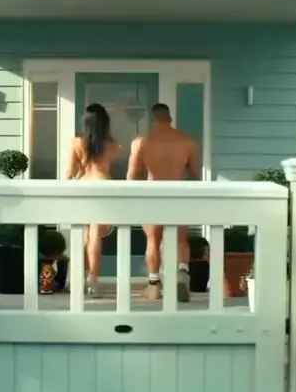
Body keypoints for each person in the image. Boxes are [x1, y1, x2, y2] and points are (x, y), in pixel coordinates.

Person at [126, 103, 199, 302]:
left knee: (153, 240)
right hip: (178, 194)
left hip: (153, 194)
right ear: (170, 119)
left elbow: (132, 176)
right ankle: (182, 275)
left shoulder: (142, 142)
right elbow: (194, 175)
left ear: (152, 120)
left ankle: (154, 285)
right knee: (181, 238)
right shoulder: (187, 142)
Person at [66, 103, 120, 298]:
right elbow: (107, 168)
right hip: (103, 186)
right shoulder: (112, 145)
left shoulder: (76, 143)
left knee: (84, 235)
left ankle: (76, 277)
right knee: (95, 235)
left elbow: (70, 172)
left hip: (83, 186)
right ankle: (93, 280)